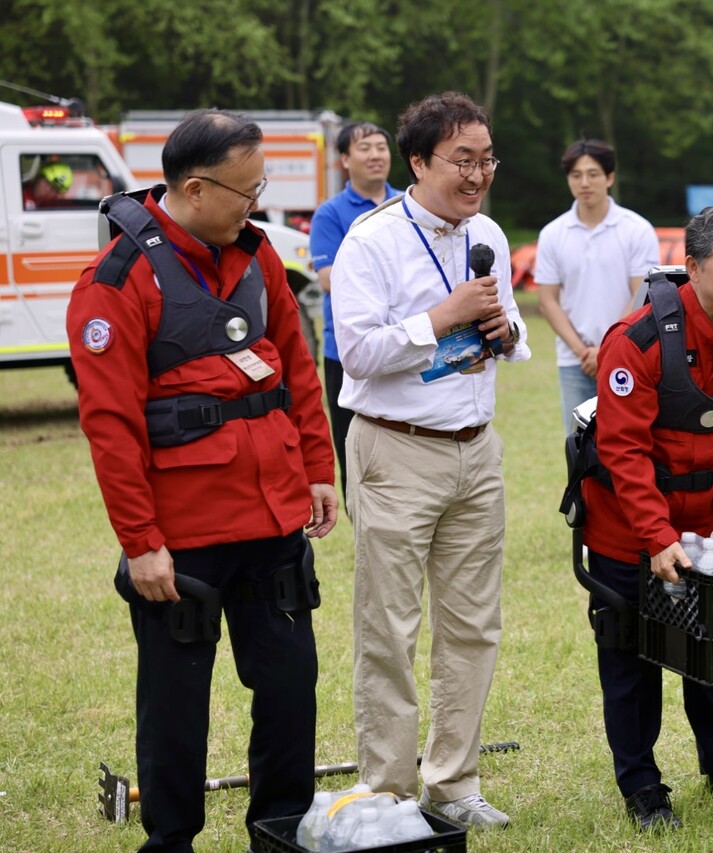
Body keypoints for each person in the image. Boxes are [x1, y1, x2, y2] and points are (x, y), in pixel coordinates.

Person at [66, 109, 339, 852]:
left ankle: (281, 832)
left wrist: (319, 468)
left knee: (290, 691)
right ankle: (171, 841)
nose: (257, 205)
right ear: (193, 187)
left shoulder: (258, 261)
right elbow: (112, 427)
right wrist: (141, 542)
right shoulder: (116, 281)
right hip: (181, 543)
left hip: (274, 523)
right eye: (247, 192)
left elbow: (297, 370)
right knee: (175, 706)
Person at [330, 91, 530, 829]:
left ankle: (455, 783)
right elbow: (357, 352)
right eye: (462, 161)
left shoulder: (491, 235)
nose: (477, 175)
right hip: (395, 450)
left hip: (477, 450)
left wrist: (501, 331)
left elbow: (501, 332)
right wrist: (439, 318)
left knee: (474, 625)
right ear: (418, 162)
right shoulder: (371, 241)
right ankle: (387, 790)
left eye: (486, 160)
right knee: (389, 626)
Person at [582, 200, 713, 830]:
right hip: (627, 529)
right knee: (631, 661)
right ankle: (643, 790)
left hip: (710, 524)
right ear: (694, 264)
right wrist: (654, 537)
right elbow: (622, 451)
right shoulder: (638, 339)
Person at [534, 139, 660, 435]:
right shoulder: (553, 234)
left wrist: (608, 349)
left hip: (629, 355)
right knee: (579, 448)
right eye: (576, 175)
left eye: (593, 174)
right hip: (574, 360)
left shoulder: (636, 229)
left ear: (610, 177)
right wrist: (583, 351)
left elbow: (641, 295)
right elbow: (547, 301)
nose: (584, 182)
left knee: (629, 440)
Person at [309, 120, 400, 500]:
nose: (376, 154)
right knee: (354, 450)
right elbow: (331, 280)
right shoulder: (330, 215)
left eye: (381, 146)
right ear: (345, 159)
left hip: (404, 346)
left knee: (404, 448)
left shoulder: (409, 204)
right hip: (347, 353)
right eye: (365, 148)